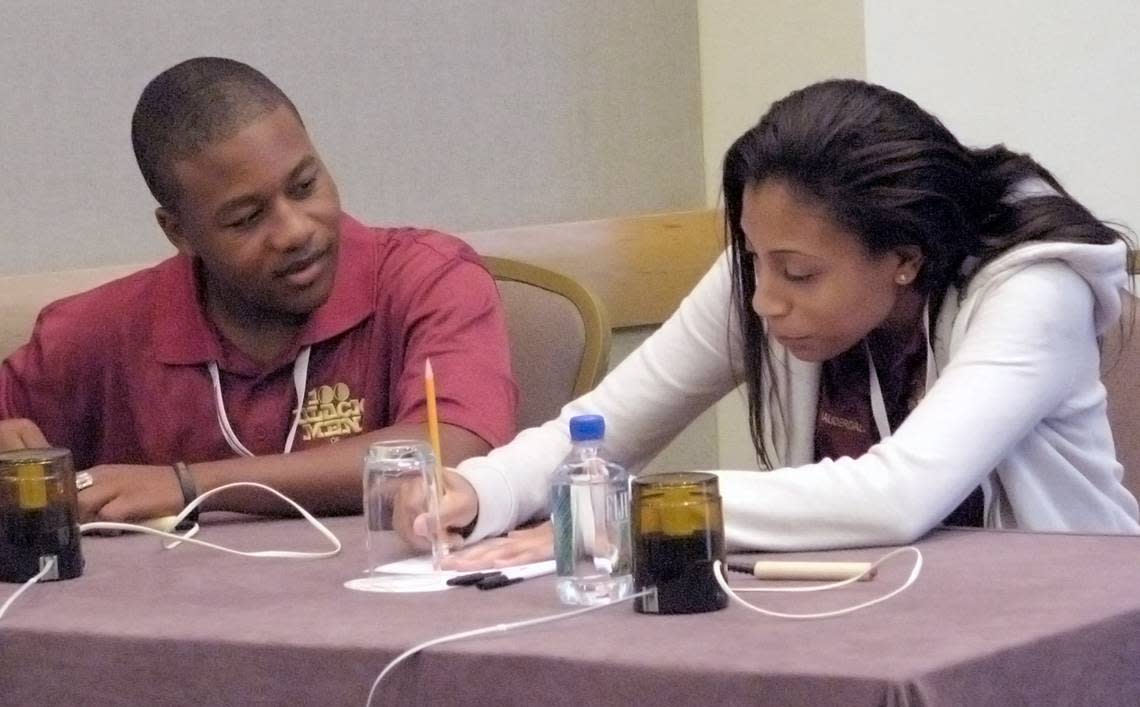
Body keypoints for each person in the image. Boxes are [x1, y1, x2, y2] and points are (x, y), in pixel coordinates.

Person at [399, 78, 1140, 565]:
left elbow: (897, 494)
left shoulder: (1034, 291)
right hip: (860, 612)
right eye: (756, 261)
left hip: (1066, 629)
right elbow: (611, 422)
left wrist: (635, 515)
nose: (762, 299)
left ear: (904, 258)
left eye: (799, 274)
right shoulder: (772, 266)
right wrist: (482, 490)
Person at [0, 57, 517, 524]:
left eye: (304, 185)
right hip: (170, 619)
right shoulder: (99, 330)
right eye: (246, 218)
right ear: (179, 232)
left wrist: (188, 485)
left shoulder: (427, 278)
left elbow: (450, 449)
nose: (295, 231)